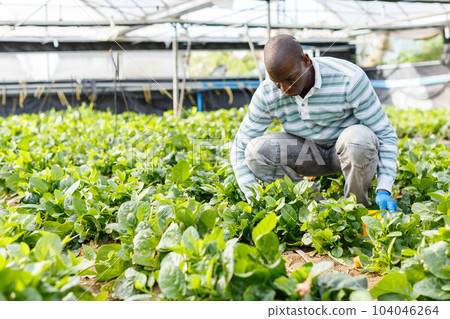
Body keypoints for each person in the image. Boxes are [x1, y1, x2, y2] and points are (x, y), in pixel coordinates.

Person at [230, 34, 398, 212]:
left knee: (359, 138)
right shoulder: (267, 93)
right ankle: (312, 208)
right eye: (277, 83)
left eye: (290, 79)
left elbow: (385, 134)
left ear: (305, 60)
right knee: (255, 151)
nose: (285, 89)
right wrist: (254, 197)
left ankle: (355, 210)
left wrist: (384, 188)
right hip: (307, 155)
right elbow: (239, 147)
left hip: (346, 151)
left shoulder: (349, 78)